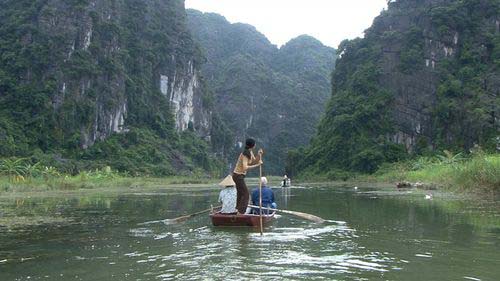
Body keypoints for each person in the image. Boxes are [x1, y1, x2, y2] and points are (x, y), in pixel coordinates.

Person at [232, 138, 263, 214]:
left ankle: (237, 209)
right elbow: (245, 167)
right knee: (246, 195)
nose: (255, 145)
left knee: (240, 193)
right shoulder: (245, 154)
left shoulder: (250, 152)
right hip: (238, 175)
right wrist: (257, 165)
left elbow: (254, 161)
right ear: (252, 145)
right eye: (255, 144)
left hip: (239, 176)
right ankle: (241, 212)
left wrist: (259, 155)